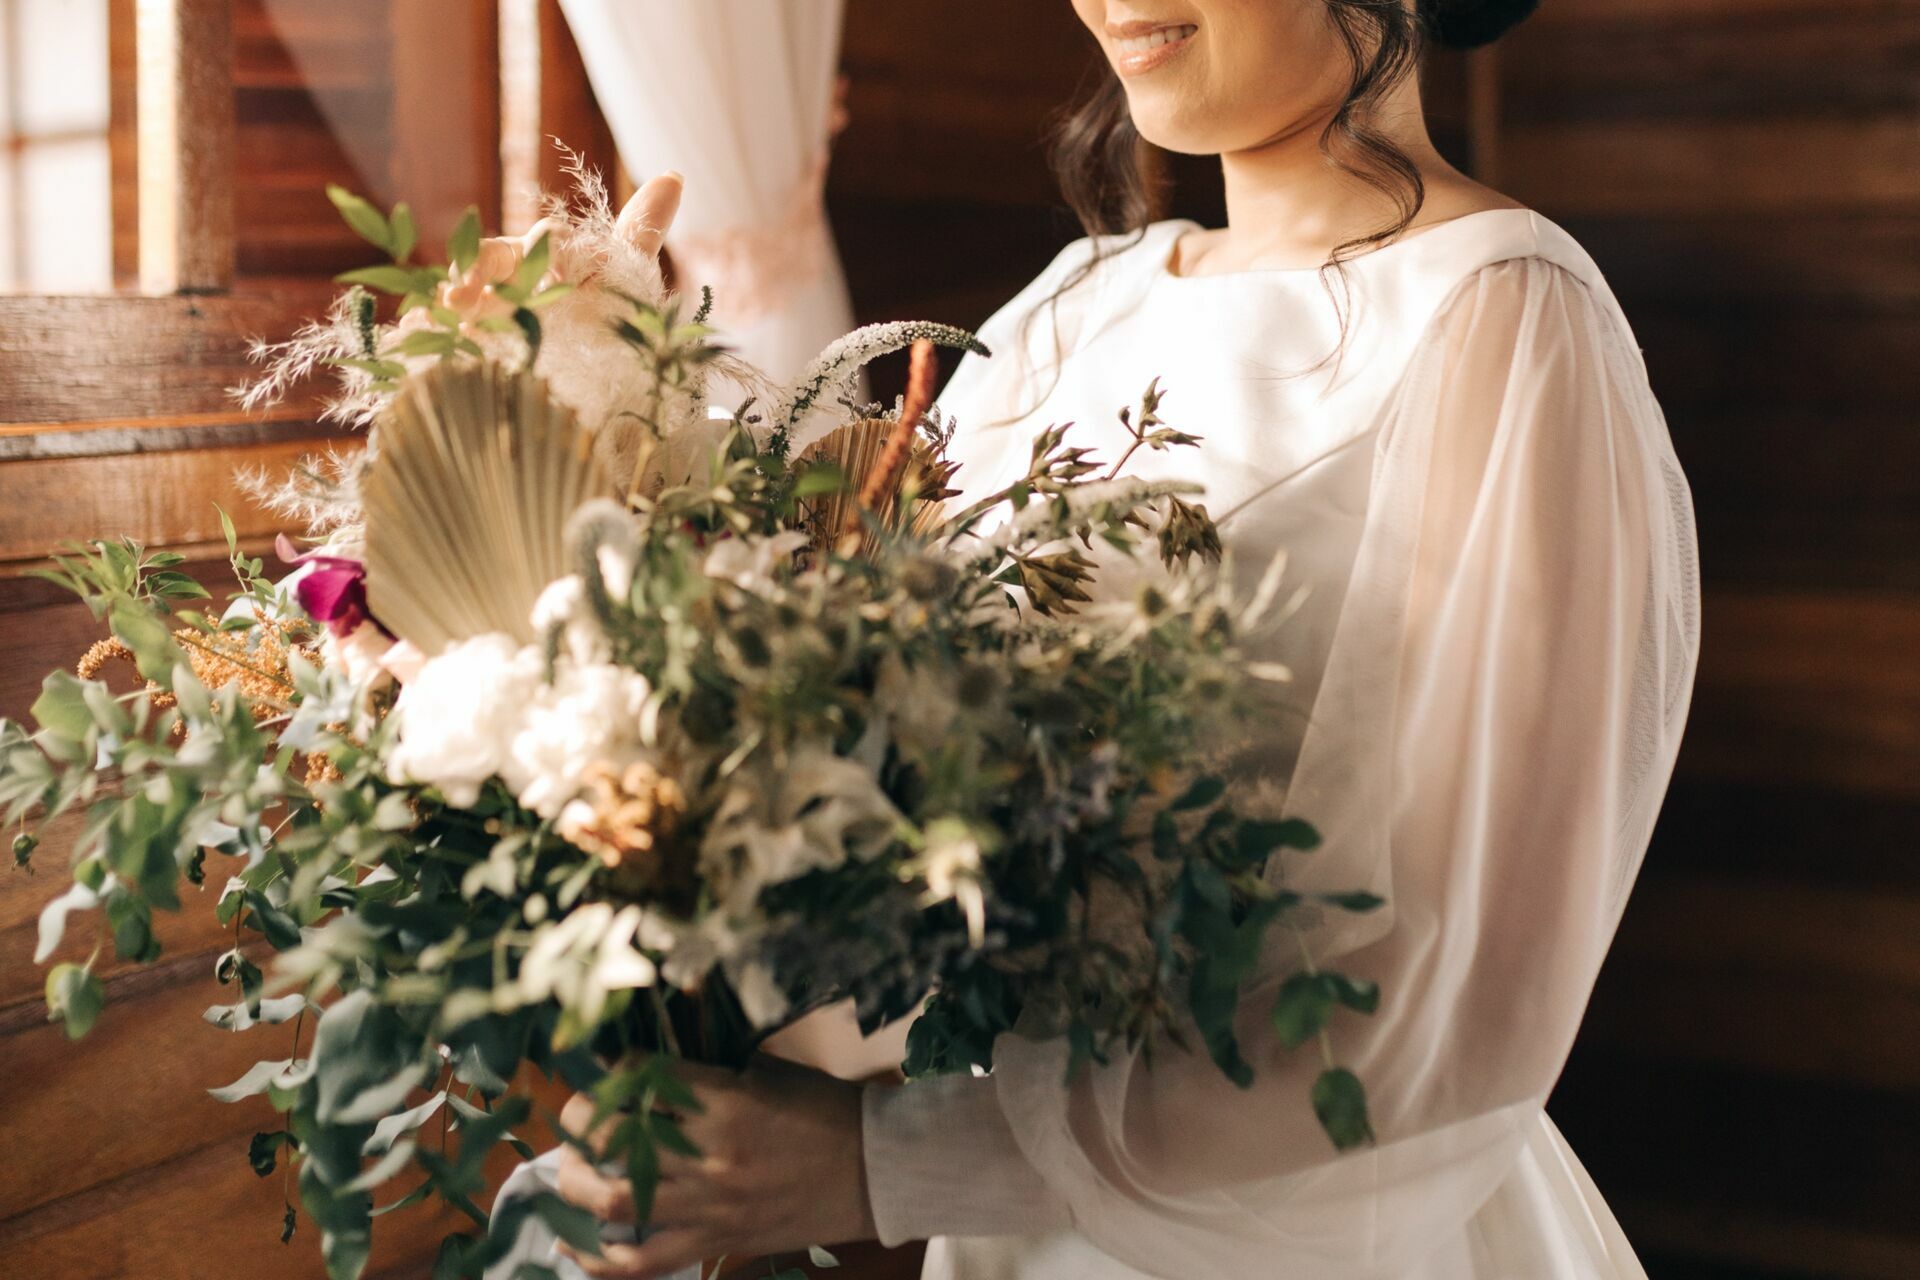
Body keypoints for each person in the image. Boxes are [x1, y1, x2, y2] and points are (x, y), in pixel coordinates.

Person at [535, 1, 1702, 1277]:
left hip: (1317, 1228)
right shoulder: (1077, 304)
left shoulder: (1502, 317)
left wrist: (880, 1163)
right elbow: (849, 735)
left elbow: (1461, 1000)